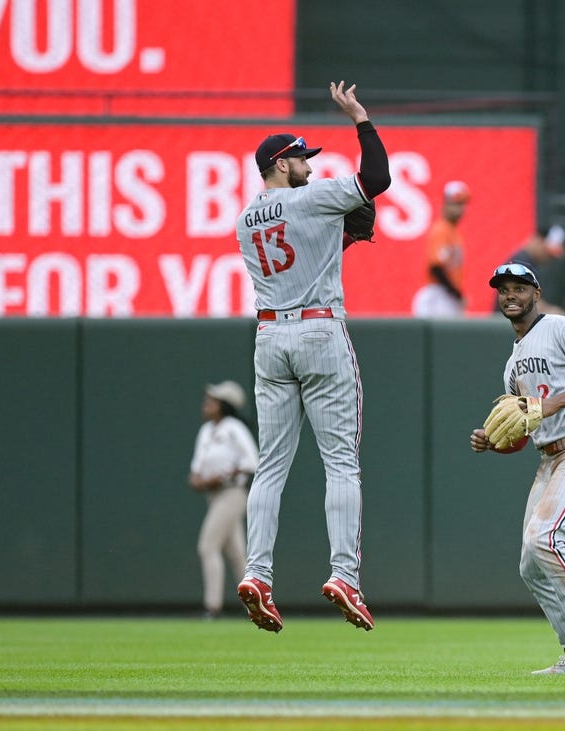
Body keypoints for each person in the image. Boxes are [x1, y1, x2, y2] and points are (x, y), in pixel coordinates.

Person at [233, 80, 391, 634]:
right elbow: (377, 180)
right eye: (301, 157)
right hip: (320, 334)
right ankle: (344, 575)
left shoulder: (246, 220)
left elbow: (306, 250)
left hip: (270, 339)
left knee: (270, 466)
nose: (309, 164)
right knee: (340, 462)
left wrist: (339, 241)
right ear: (281, 162)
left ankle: (258, 574)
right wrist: (360, 118)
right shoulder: (313, 195)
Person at [470, 262, 565, 676]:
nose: (510, 296)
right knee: (530, 563)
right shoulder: (513, 362)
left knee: (546, 539)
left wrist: (552, 403)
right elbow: (519, 431)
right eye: (503, 289)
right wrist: (492, 440)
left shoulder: (563, 329)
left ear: (536, 293)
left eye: (519, 288)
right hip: (550, 457)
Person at [188, 380, 258, 619]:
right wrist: (198, 479)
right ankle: (255, 606)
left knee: (207, 546)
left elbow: (252, 461)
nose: (207, 403)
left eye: (213, 400)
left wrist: (225, 476)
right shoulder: (207, 430)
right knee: (237, 553)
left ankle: (213, 606)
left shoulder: (233, 427)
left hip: (232, 494)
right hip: (213, 495)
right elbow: (197, 468)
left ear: (225, 405)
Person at [412, 180, 470, 317]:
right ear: (445, 204)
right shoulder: (441, 230)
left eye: (462, 204)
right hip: (438, 296)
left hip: (446, 295)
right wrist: (456, 294)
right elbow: (436, 268)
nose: (460, 209)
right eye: (456, 204)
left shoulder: (453, 231)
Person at [495, 224, 565, 314]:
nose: (548, 258)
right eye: (547, 252)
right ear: (538, 240)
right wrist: (550, 310)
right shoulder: (519, 262)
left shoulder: (530, 263)